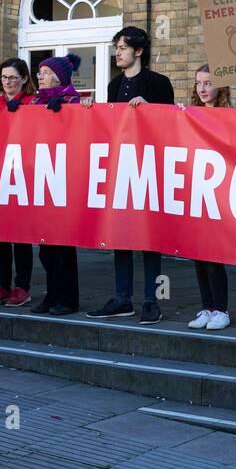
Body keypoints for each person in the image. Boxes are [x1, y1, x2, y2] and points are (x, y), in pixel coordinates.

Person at [86, 26, 175, 324]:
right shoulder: (113, 85)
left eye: (122, 47)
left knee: (152, 237)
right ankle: (122, 297)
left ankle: (154, 300)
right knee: (119, 232)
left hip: (149, 168)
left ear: (138, 51)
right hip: (121, 167)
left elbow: (171, 125)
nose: (117, 53)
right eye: (116, 47)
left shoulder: (159, 83)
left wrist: (152, 110)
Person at [0, 58, 36, 307]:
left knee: (21, 235)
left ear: (24, 78)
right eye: (4, 78)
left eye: (13, 77)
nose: (8, 82)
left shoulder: (33, 104)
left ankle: (22, 286)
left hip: (24, 174)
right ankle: (2, 285)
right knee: (0, 235)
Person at [31, 53, 84, 316]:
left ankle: (67, 298)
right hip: (41, 181)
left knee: (63, 246)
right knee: (45, 248)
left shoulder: (72, 101)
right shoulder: (34, 102)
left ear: (58, 77)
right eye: (39, 72)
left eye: (44, 72)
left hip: (63, 181)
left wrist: (61, 114)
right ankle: (51, 295)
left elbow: (79, 133)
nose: (39, 76)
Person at [185, 65, 233, 331]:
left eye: (208, 82)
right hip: (196, 189)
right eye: (198, 83)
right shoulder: (190, 115)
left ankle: (222, 310)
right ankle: (207, 307)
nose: (202, 88)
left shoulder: (228, 115)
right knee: (198, 255)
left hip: (218, 190)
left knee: (214, 254)